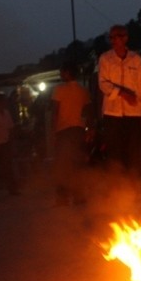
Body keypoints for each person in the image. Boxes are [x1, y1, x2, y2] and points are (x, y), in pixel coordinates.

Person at [97, 24, 141, 179]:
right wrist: (121, 93)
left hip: (133, 113)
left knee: (133, 153)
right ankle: (117, 190)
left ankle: (132, 189)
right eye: (111, 37)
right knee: (115, 153)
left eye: (117, 36)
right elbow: (103, 83)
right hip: (112, 113)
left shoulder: (135, 59)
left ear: (125, 38)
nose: (113, 40)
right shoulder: (105, 59)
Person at [50, 62, 93, 206]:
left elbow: (55, 112)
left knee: (62, 165)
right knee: (77, 164)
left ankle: (62, 198)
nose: (61, 75)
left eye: (62, 72)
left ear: (68, 73)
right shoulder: (83, 90)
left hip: (64, 130)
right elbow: (88, 112)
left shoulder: (59, 90)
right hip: (78, 130)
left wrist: (53, 131)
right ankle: (79, 196)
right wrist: (89, 130)